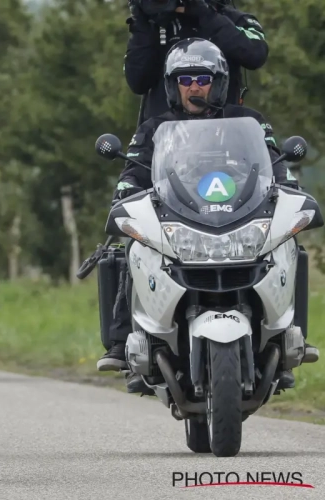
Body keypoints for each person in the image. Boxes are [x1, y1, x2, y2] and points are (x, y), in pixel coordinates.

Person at [98, 38, 319, 393]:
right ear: (172, 86)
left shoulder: (248, 121)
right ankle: (123, 342)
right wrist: (124, 194)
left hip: (241, 217)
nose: (194, 87)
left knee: (290, 244)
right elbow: (133, 174)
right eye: (185, 80)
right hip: (179, 219)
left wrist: (292, 189)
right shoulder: (155, 128)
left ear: (218, 82)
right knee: (132, 249)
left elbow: (277, 168)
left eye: (202, 78)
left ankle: (288, 337)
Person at [125, 0, 268, 123]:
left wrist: (205, 14)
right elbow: (137, 83)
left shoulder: (231, 19)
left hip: (224, 136)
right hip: (167, 141)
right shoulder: (154, 24)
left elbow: (256, 54)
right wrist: (141, 25)